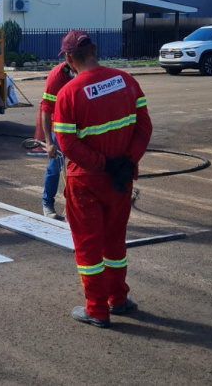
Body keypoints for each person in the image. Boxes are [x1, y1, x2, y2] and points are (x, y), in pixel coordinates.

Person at [53, 30, 152, 328]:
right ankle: (118, 299)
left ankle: (96, 310)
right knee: (115, 242)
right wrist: (127, 162)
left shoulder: (68, 93)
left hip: (86, 181)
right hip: (121, 179)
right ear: (94, 50)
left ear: (69, 58)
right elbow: (144, 128)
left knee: (88, 247)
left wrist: (102, 164)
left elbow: (67, 145)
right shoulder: (126, 81)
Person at [38, 43, 78, 220]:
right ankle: (48, 203)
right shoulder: (57, 77)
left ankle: (73, 208)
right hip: (61, 130)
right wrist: (49, 142)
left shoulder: (87, 73)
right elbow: (46, 109)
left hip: (82, 129)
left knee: (80, 171)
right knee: (55, 167)